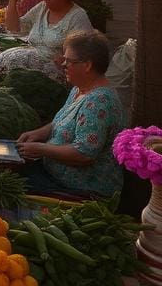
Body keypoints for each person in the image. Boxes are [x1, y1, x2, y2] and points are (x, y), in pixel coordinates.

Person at [16, 30, 125, 198]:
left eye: (68, 61)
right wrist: (37, 134)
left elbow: (84, 154)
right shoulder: (79, 88)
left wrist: (41, 149)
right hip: (54, 174)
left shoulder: (99, 102)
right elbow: (60, 121)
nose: (63, 64)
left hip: (82, 189)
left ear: (87, 65)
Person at [4, 0, 94, 76]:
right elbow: (14, 28)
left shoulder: (77, 17)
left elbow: (83, 54)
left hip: (59, 75)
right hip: (31, 71)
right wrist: (13, 0)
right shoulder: (42, 8)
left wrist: (66, 60)